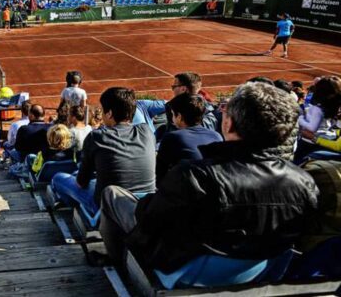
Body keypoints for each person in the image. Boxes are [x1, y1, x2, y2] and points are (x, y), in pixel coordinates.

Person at [99, 82, 319, 271]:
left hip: (190, 270)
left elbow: (148, 221)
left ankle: (118, 263)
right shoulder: (305, 182)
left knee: (112, 194)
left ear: (229, 123)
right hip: (261, 271)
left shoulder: (194, 176)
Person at [50, 87, 156, 215]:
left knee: (59, 178)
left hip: (108, 208)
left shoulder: (97, 137)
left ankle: (75, 208)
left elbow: (81, 183)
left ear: (109, 113)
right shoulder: (147, 132)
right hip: (145, 204)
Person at [155, 93, 223, 181]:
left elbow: (159, 174)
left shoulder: (172, 138)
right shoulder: (217, 136)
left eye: (172, 114)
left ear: (179, 116)